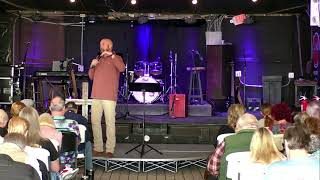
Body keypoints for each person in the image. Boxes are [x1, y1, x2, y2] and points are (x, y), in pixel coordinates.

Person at [88, 38, 125, 158]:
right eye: (101, 44)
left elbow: (122, 68)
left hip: (109, 96)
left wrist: (112, 56)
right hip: (96, 95)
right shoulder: (97, 59)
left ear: (110, 46)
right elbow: (91, 77)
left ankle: (110, 149)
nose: (103, 46)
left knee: (110, 123)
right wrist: (92, 66)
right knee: (95, 122)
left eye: (105, 44)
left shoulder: (117, 58)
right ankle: (98, 148)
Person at [207, 113, 258, 180]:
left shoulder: (227, 141)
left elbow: (213, 168)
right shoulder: (268, 141)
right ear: (257, 126)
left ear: (238, 126)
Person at [63, 101, 94, 179]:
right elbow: (87, 137)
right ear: (76, 110)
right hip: (78, 149)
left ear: (64, 109)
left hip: (61, 151)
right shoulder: (82, 119)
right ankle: (89, 171)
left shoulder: (61, 118)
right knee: (88, 143)